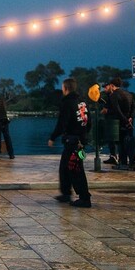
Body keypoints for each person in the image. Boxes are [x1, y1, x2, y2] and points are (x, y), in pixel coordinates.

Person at [48, 78, 92, 208]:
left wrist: (53, 137)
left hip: (73, 141)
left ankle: (85, 198)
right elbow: (88, 122)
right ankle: (66, 193)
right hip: (79, 140)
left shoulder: (67, 103)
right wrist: (84, 135)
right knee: (65, 167)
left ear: (65, 88)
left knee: (75, 169)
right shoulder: (82, 103)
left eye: (62, 87)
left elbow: (62, 123)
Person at [102, 77, 135, 170]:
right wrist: (130, 118)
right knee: (129, 143)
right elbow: (134, 109)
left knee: (121, 143)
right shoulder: (129, 94)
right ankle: (131, 163)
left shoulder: (114, 95)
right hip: (130, 122)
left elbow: (117, 110)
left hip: (120, 123)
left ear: (112, 86)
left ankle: (123, 163)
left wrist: (125, 120)